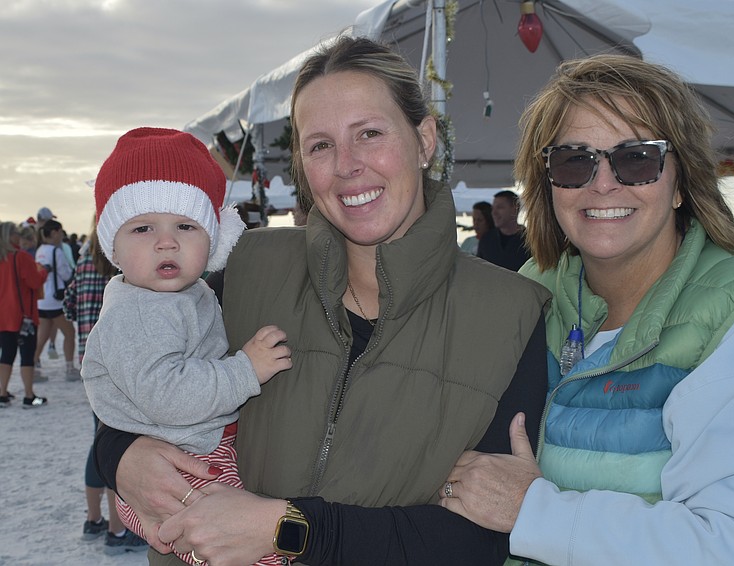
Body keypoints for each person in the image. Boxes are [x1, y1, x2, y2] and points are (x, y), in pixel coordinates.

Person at [94, 36, 550, 566]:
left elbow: (476, 541)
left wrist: (288, 529)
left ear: (425, 139)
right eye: (320, 145)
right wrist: (120, 455)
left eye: (370, 134)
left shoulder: (512, 315)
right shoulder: (243, 267)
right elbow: (134, 376)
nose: (347, 165)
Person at [438, 54, 734, 565]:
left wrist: (535, 512)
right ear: (547, 183)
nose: (603, 183)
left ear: (681, 181)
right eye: (573, 161)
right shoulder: (530, 293)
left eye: (637, 158)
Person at [82, 127, 293, 564]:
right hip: (179, 461)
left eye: (185, 225)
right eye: (142, 228)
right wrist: (245, 370)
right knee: (242, 543)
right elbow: (167, 395)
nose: (166, 240)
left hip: (189, 448)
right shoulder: (138, 311)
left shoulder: (184, 295)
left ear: (212, 239)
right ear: (113, 248)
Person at [63, 223, 146, 552]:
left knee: (100, 441)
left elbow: (67, 304)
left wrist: (85, 323)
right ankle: (117, 529)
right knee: (120, 445)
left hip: (91, 364)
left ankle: (94, 518)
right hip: (122, 367)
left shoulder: (82, 265)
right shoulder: (126, 268)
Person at [0, 221, 48, 407]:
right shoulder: (20, 257)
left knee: (6, 354)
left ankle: (2, 393)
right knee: (27, 355)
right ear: (11, 236)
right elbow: (35, 282)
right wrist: (44, 272)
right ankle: (29, 396)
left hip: (3, 316)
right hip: (23, 314)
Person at [34, 218, 78, 381]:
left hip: (42, 299)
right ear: (54, 232)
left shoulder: (40, 250)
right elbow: (66, 274)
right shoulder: (56, 251)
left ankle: (32, 366)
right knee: (69, 333)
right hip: (55, 300)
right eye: (60, 232)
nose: (61, 235)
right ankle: (69, 368)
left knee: (42, 335)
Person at [476, 190, 530, 271]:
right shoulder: (487, 239)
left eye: (500, 207)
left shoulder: (531, 242)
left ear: (515, 209)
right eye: (493, 208)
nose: (494, 212)